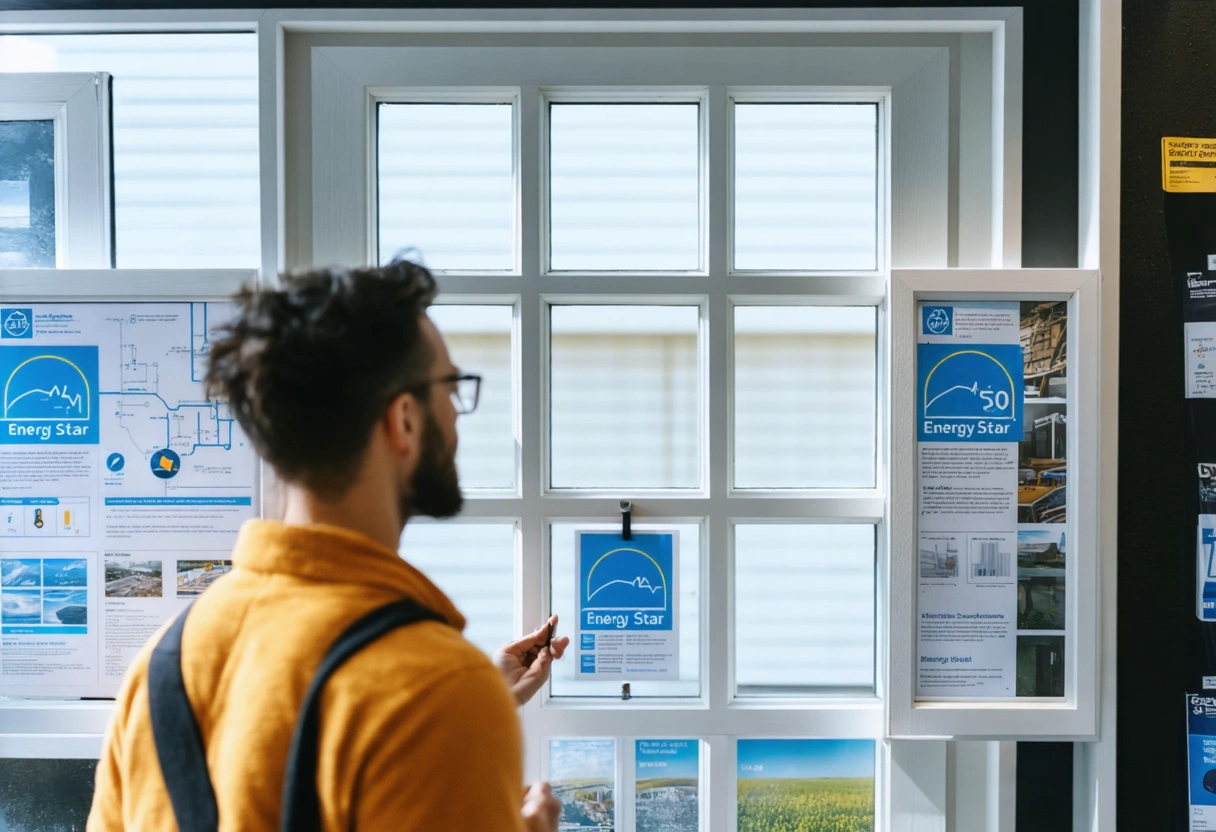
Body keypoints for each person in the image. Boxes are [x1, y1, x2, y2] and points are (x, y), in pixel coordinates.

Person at [87, 260, 569, 831]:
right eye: (451, 388)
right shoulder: (437, 692)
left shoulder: (162, 665)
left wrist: (473, 702)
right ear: (405, 420)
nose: (458, 419)